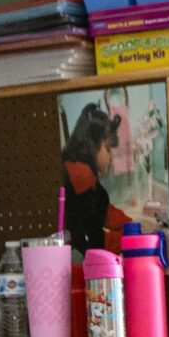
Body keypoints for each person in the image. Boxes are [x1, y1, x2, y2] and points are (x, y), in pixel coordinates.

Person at [61, 103, 132, 256]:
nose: (111, 157)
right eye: (107, 149)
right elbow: (95, 240)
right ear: (92, 145)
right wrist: (130, 239)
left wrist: (131, 225)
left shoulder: (79, 168)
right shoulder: (81, 175)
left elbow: (102, 208)